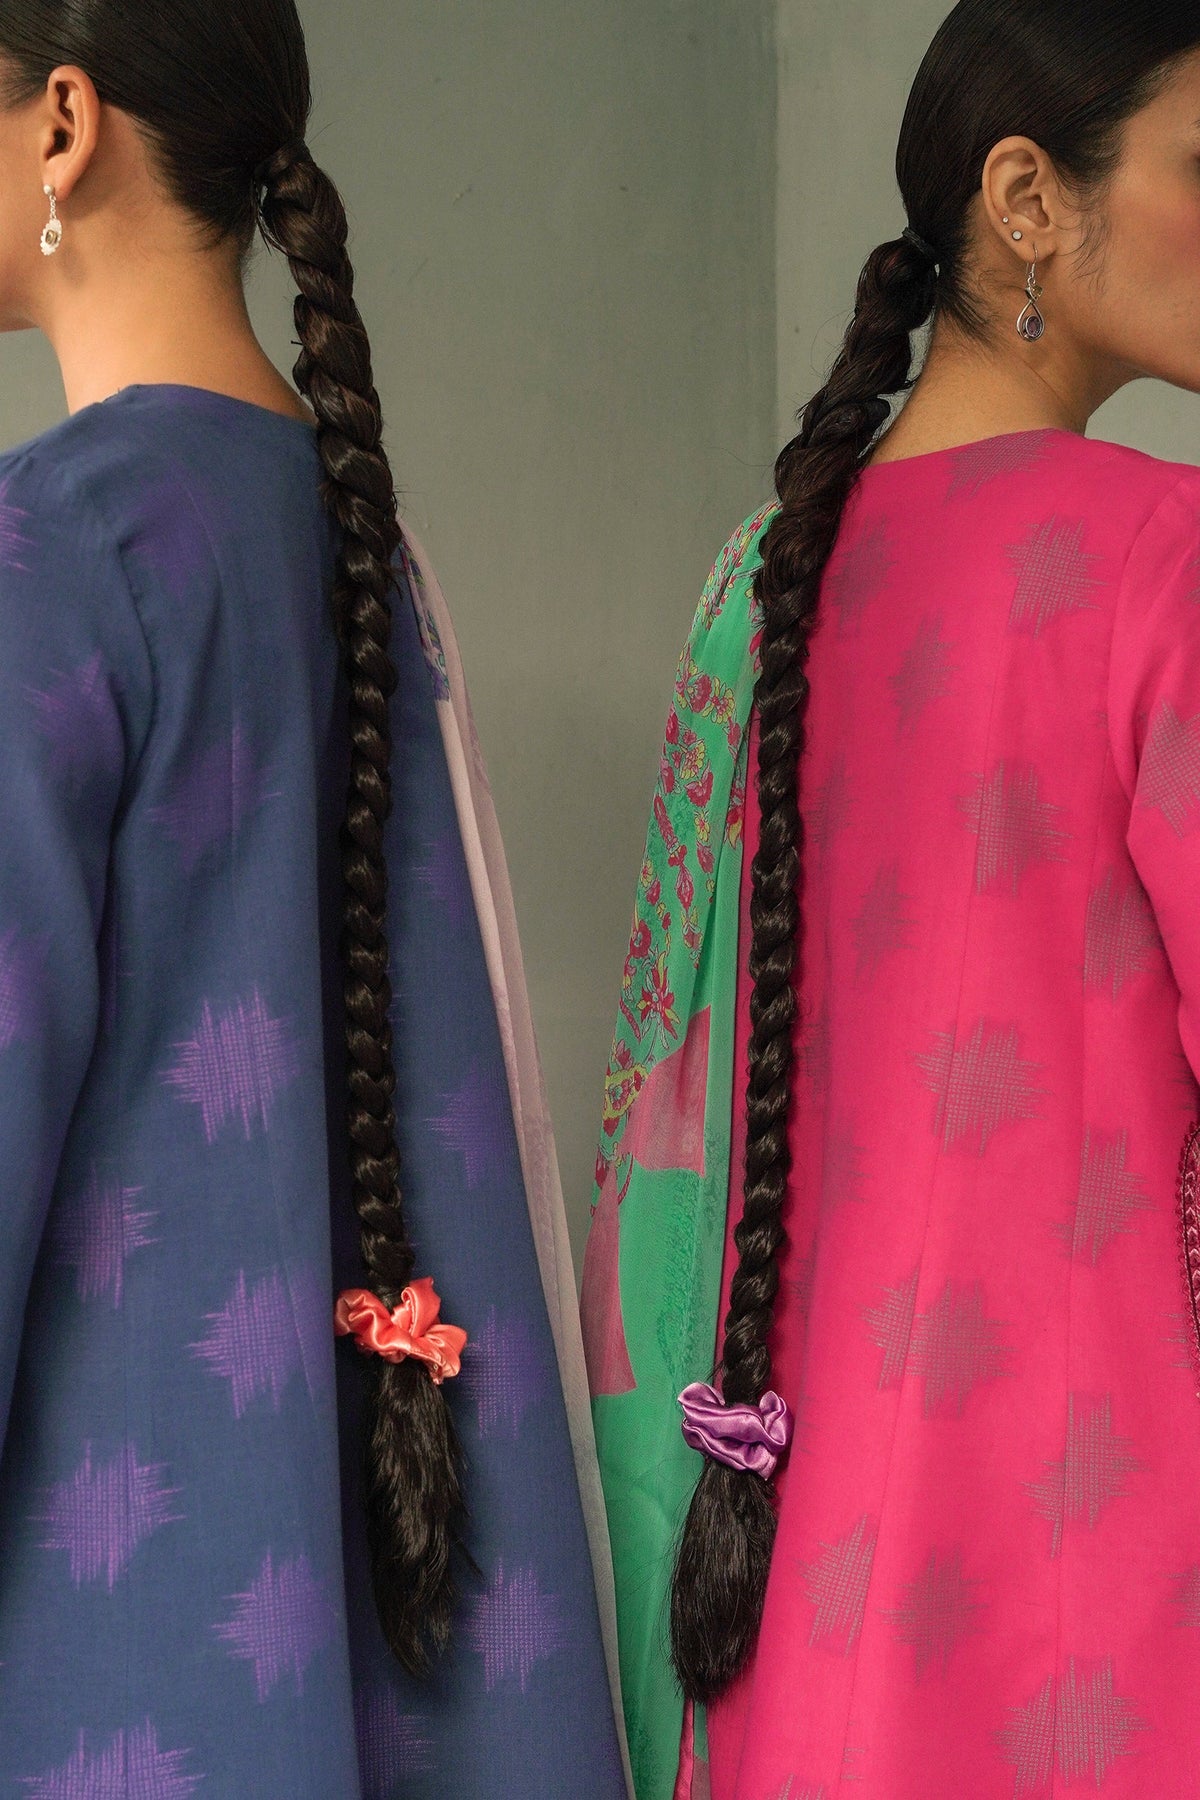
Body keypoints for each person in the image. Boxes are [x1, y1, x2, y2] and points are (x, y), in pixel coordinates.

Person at [0, 3, 629, 1795]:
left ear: (63, 125)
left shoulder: (50, 553)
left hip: (107, 1633)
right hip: (405, 1612)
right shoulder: (362, 539)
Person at [581, 4, 1200, 1795]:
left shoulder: (765, 578)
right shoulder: (1159, 554)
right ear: (1028, 197)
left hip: (776, 1595)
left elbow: (667, 1127)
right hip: (1096, 1593)